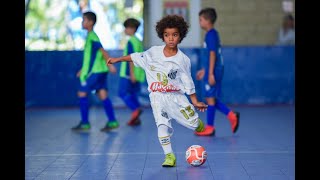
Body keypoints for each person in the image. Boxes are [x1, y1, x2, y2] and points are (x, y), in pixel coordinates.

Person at [107, 15, 207, 167]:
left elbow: (188, 82)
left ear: (180, 36)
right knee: (161, 126)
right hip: (157, 98)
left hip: (176, 98)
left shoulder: (182, 60)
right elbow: (135, 57)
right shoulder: (153, 53)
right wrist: (117, 59)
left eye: (174, 35)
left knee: (194, 125)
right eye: (167, 35)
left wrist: (195, 101)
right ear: (162, 36)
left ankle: (197, 123)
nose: (171, 38)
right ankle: (169, 156)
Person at [195, 7, 240, 136]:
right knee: (211, 99)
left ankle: (210, 127)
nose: (200, 22)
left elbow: (213, 54)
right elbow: (210, 55)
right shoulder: (211, 34)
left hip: (214, 71)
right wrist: (205, 70)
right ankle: (231, 115)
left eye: (201, 20)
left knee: (210, 99)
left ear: (208, 21)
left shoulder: (211, 34)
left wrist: (210, 74)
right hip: (212, 69)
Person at [71, 11, 119, 132]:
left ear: (91, 22)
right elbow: (91, 57)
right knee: (102, 94)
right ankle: (112, 121)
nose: (82, 22)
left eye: (84, 20)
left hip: (95, 72)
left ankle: (85, 123)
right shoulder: (90, 36)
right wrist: (82, 70)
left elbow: (102, 51)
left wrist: (111, 64)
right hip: (99, 71)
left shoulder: (92, 36)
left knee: (82, 93)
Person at [118, 18, 145, 126]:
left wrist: (132, 74)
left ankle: (135, 109)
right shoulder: (138, 41)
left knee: (122, 93)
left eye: (126, 28)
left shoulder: (131, 42)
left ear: (132, 29)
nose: (125, 30)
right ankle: (136, 118)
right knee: (133, 94)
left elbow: (131, 58)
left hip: (128, 74)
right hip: (137, 74)